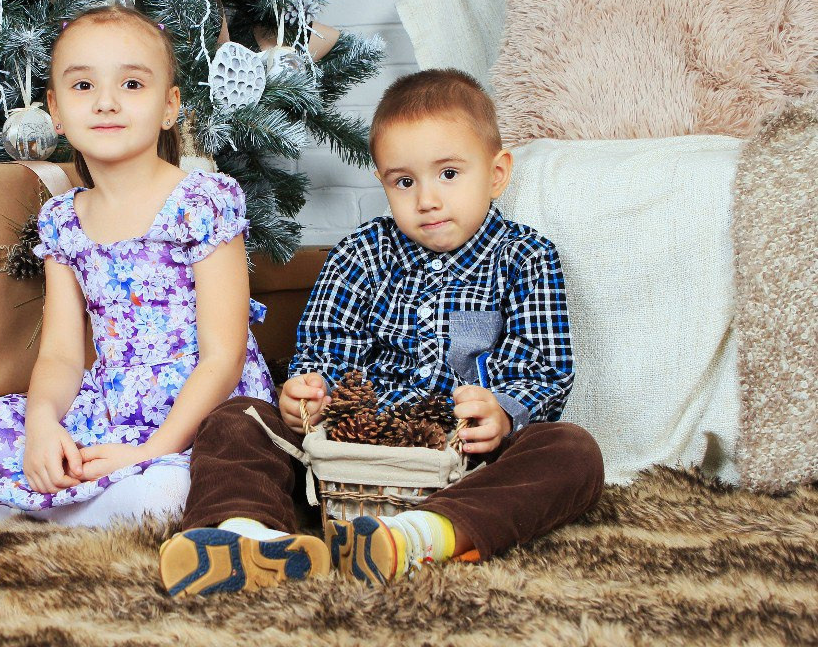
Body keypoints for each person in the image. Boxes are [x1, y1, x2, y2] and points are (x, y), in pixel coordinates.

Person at [159, 69, 604, 596]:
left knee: (573, 451)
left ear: (497, 172)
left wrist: (503, 413)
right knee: (236, 419)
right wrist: (307, 397)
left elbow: (543, 367)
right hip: (347, 458)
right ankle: (245, 533)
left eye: (449, 174)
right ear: (383, 181)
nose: (428, 200)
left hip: (463, 458)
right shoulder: (359, 255)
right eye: (405, 181)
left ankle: (421, 534)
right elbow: (322, 356)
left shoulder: (526, 258)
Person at [0, 6, 274, 536]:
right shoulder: (63, 220)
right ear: (54, 110)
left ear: (170, 106)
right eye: (81, 85)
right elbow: (61, 353)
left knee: (165, 495)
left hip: (201, 415)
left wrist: (149, 451)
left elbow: (223, 356)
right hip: (106, 403)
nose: (105, 102)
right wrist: (41, 427)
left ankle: (0, 513)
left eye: (131, 83)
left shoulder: (204, 201)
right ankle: (64, 504)